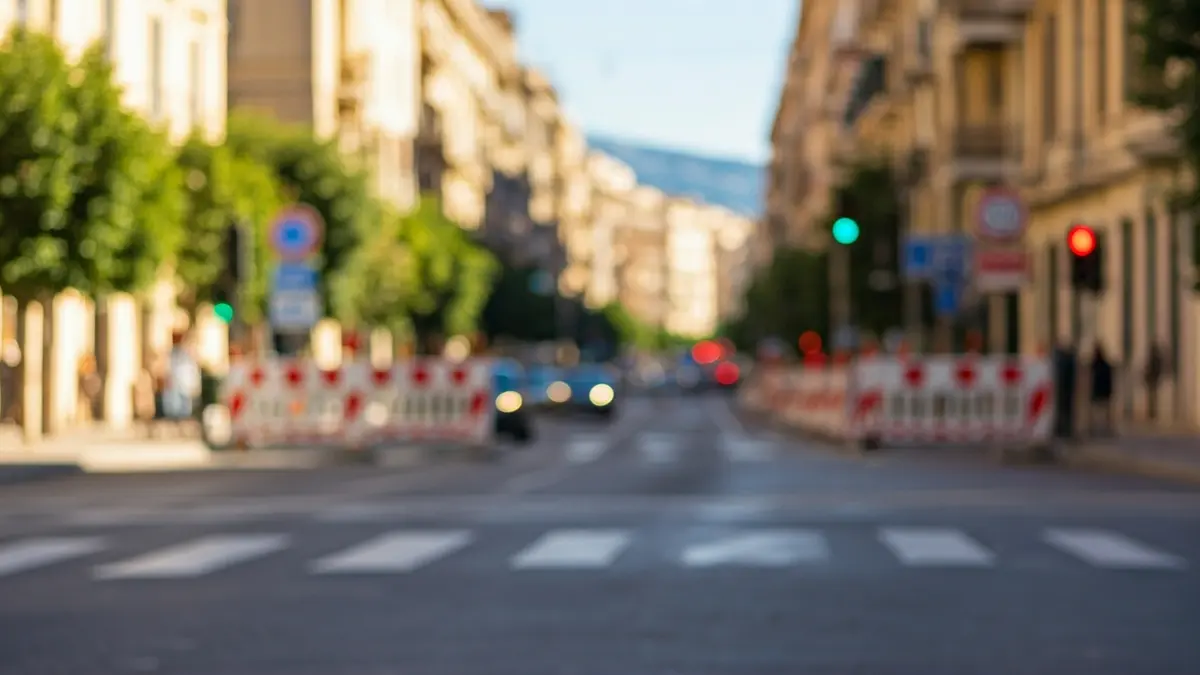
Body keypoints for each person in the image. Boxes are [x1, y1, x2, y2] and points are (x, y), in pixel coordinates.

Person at [1089, 345, 1115, 436]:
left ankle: (1099, 429)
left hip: (1098, 391)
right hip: (1102, 392)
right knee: (1103, 414)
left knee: (1100, 413)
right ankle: (1103, 429)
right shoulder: (1102, 366)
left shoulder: (1094, 366)